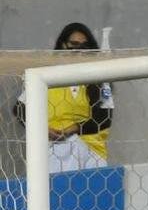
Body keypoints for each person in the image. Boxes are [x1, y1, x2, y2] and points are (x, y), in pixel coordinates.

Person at [12, 22, 114, 173]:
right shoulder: (45, 75)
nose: (78, 50)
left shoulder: (99, 79)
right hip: (53, 147)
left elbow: (105, 117)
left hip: (90, 149)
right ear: (62, 45)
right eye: (74, 44)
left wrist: (73, 129)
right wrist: (43, 129)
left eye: (84, 46)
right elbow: (20, 109)